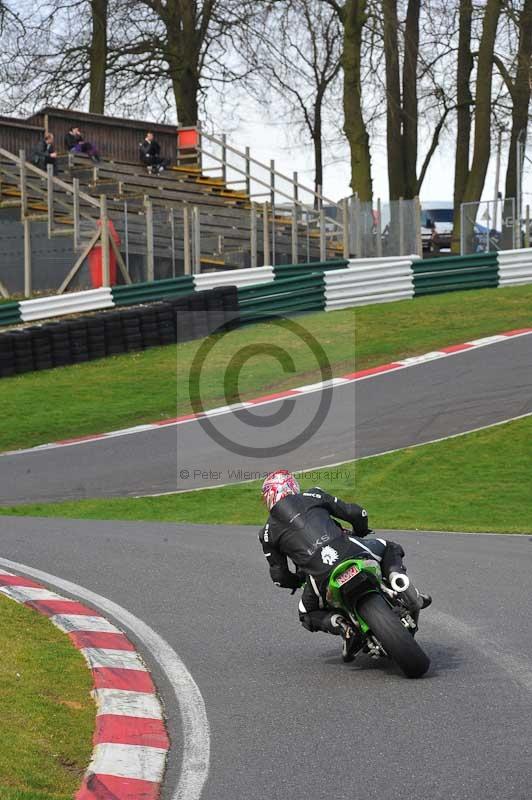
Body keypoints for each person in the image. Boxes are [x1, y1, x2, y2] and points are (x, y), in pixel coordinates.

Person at [259, 470, 431, 653]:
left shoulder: (267, 533)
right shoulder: (313, 494)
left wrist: (297, 580)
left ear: (269, 497)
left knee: (306, 614)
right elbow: (356, 512)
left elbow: (280, 576)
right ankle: (400, 582)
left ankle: (341, 625)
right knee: (390, 547)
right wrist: (361, 529)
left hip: (320, 574)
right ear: (292, 486)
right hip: (349, 549)